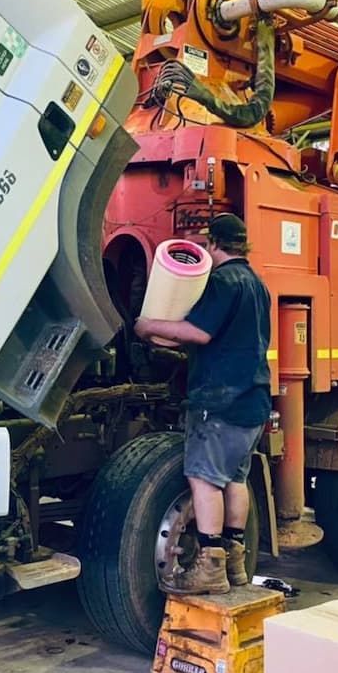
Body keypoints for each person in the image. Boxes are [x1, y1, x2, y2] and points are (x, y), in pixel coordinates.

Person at [134, 212, 271, 595]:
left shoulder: (224, 281)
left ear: (213, 245)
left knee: (204, 479)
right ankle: (235, 562)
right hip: (253, 398)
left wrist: (149, 326)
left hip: (220, 399)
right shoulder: (258, 285)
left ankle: (209, 567)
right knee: (235, 479)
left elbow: (199, 332)